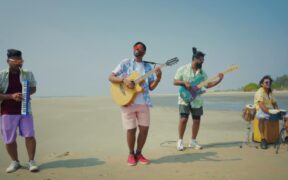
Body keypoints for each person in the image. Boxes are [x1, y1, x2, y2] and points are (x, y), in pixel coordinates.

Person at [108, 42, 162, 166]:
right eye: (135, 47)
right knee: (131, 130)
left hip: (144, 103)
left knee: (144, 129)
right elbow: (110, 77)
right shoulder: (125, 63)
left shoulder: (148, 67)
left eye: (140, 48)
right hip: (127, 102)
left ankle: (139, 153)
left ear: (144, 52)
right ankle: (131, 154)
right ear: (133, 49)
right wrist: (123, 80)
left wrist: (158, 79)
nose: (137, 49)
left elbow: (151, 87)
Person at [173, 47, 224, 151]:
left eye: (203, 60)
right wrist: (184, 82)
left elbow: (208, 85)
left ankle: (193, 141)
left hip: (197, 100)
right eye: (201, 60)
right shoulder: (183, 69)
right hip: (184, 97)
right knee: (183, 119)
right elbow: (174, 81)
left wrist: (219, 80)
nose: (202, 62)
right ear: (194, 59)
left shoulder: (202, 73)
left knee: (196, 120)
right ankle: (180, 141)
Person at [0, 49, 39, 173]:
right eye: (15, 61)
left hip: (25, 109)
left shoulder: (28, 73)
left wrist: (27, 93)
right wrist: (11, 96)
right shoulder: (1, 75)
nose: (19, 63)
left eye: (20, 60)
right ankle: (15, 162)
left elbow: (33, 87)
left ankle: (31, 161)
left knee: (30, 135)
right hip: (7, 111)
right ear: (8, 61)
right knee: (9, 138)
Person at [254, 75, 288, 149]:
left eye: (269, 82)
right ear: (262, 84)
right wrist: (269, 112)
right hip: (261, 110)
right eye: (266, 82)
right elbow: (261, 105)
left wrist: (278, 111)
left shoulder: (270, 92)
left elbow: (274, 103)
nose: (268, 84)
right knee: (261, 117)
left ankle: (286, 136)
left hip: (271, 110)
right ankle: (263, 139)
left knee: (286, 117)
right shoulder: (259, 92)